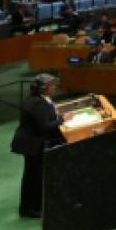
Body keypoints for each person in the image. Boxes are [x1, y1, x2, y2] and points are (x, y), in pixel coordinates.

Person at [10, 74, 69, 218]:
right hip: (32, 144)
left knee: (35, 176)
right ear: (43, 88)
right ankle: (29, 209)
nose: (53, 86)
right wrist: (62, 119)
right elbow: (45, 126)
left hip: (36, 142)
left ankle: (35, 205)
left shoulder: (40, 99)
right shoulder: (36, 103)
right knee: (33, 177)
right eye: (51, 85)